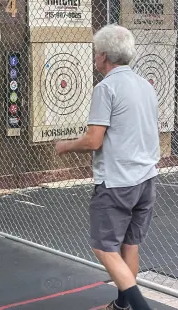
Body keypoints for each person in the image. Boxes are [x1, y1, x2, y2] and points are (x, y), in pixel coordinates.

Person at [55, 24, 160, 310]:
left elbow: (93, 140)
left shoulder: (106, 88)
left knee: (104, 247)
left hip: (117, 183)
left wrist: (65, 146)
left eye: (95, 53)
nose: (94, 58)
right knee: (130, 245)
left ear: (104, 56)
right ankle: (122, 306)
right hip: (146, 180)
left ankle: (141, 308)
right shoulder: (145, 87)